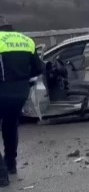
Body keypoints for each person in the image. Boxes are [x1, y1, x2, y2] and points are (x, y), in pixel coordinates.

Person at [0, 16, 43, 187]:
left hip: (1, 91)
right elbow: (39, 68)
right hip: (21, 93)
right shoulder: (26, 40)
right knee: (10, 125)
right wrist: (23, 78)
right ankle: (11, 165)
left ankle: (2, 175)